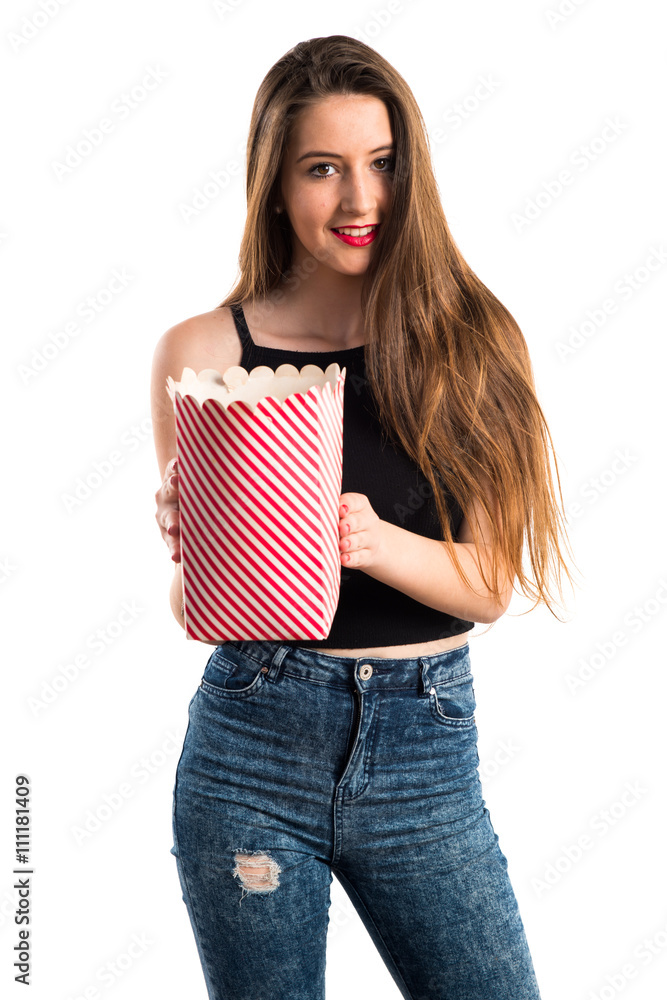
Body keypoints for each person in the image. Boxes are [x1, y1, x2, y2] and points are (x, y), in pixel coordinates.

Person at [151, 34, 576, 1000]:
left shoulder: (472, 340)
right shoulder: (203, 352)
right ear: (273, 183)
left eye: (381, 164)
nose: (358, 200)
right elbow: (193, 614)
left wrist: (364, 540)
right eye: (321, 168)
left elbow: (490, 586)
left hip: (425, 755)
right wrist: (196, 543)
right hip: (249, 748)